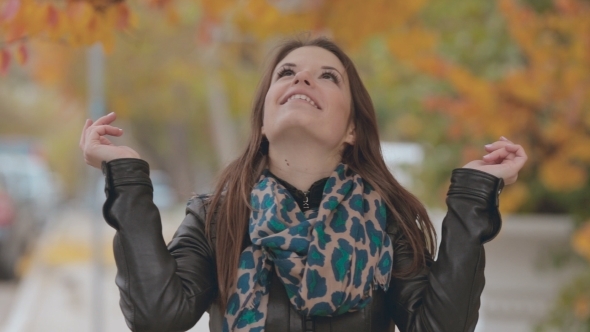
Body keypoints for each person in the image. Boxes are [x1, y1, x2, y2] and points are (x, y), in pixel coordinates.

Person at [79, 37, 527, 332]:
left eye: (327, 76)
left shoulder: (388, 220)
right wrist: (128, 181)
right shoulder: (218, 214)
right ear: (265, 117)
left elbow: (439, 326)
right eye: (286, 72)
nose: (302, 78)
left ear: (352, 128)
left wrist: (473, 194)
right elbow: (157, 316)